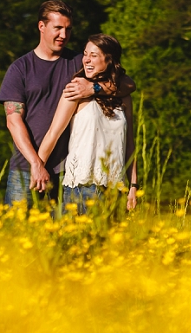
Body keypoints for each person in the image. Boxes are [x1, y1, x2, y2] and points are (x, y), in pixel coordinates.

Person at [0, 0, 135, 206]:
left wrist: (93, 88)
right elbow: (13, 122)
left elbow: (128, 84)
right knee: (17, 231)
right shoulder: (20, 69)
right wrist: (36, 164)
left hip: (66, 171)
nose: (64, 35)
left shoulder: (79, 62)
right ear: (41, 26)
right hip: (26, 169)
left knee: (62, 234)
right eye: (58, 28)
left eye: (68, 29)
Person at [37, 34, 139, 214]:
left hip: (115, 188)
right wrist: (37, 167)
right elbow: (53, 133)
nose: (86, 60)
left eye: (94, 55)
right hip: (82, 186)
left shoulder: (123, 96)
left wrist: (133, 186)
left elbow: (129, 144)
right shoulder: (75, 89)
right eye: (85, 54)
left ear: (109, 59)